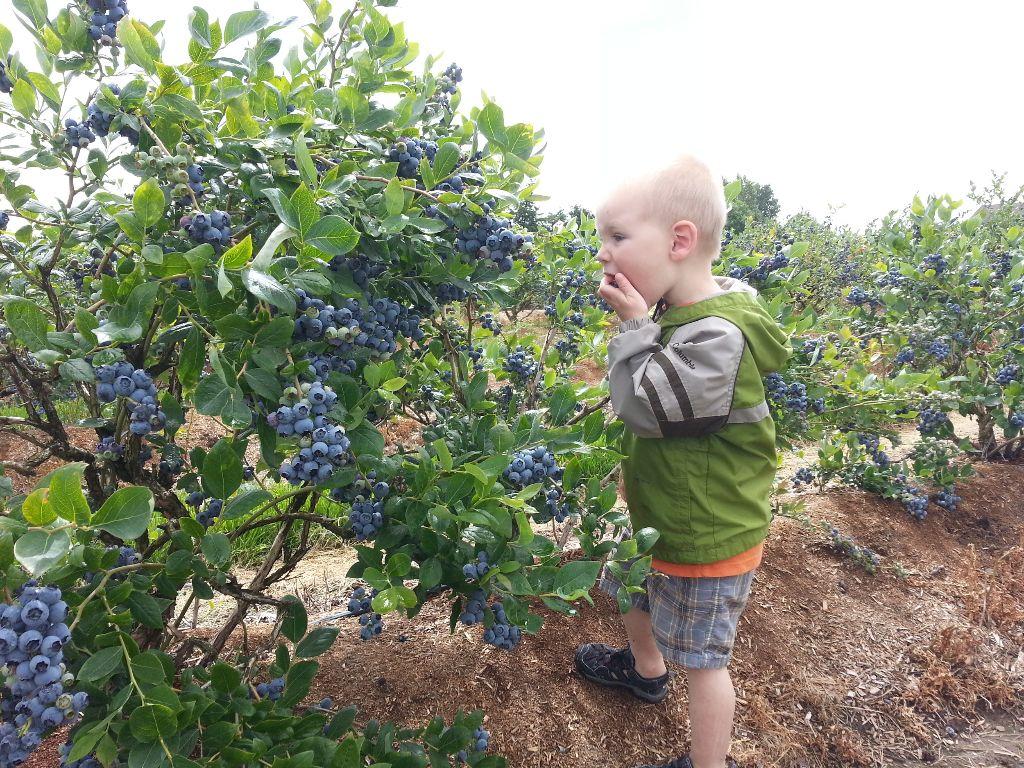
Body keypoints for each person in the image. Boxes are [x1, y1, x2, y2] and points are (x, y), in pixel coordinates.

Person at [573, 155, 791, 768]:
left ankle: (708, 763)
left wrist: (637, 325)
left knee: (703, 663)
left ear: (679, 241)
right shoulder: (681, 312)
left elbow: (645, 407)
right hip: (666, 514)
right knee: (629, 587)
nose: (604, 254)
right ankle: (645, 670)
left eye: (616, 237)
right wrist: (648, 320)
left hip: (707, 534)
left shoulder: (716, 335)